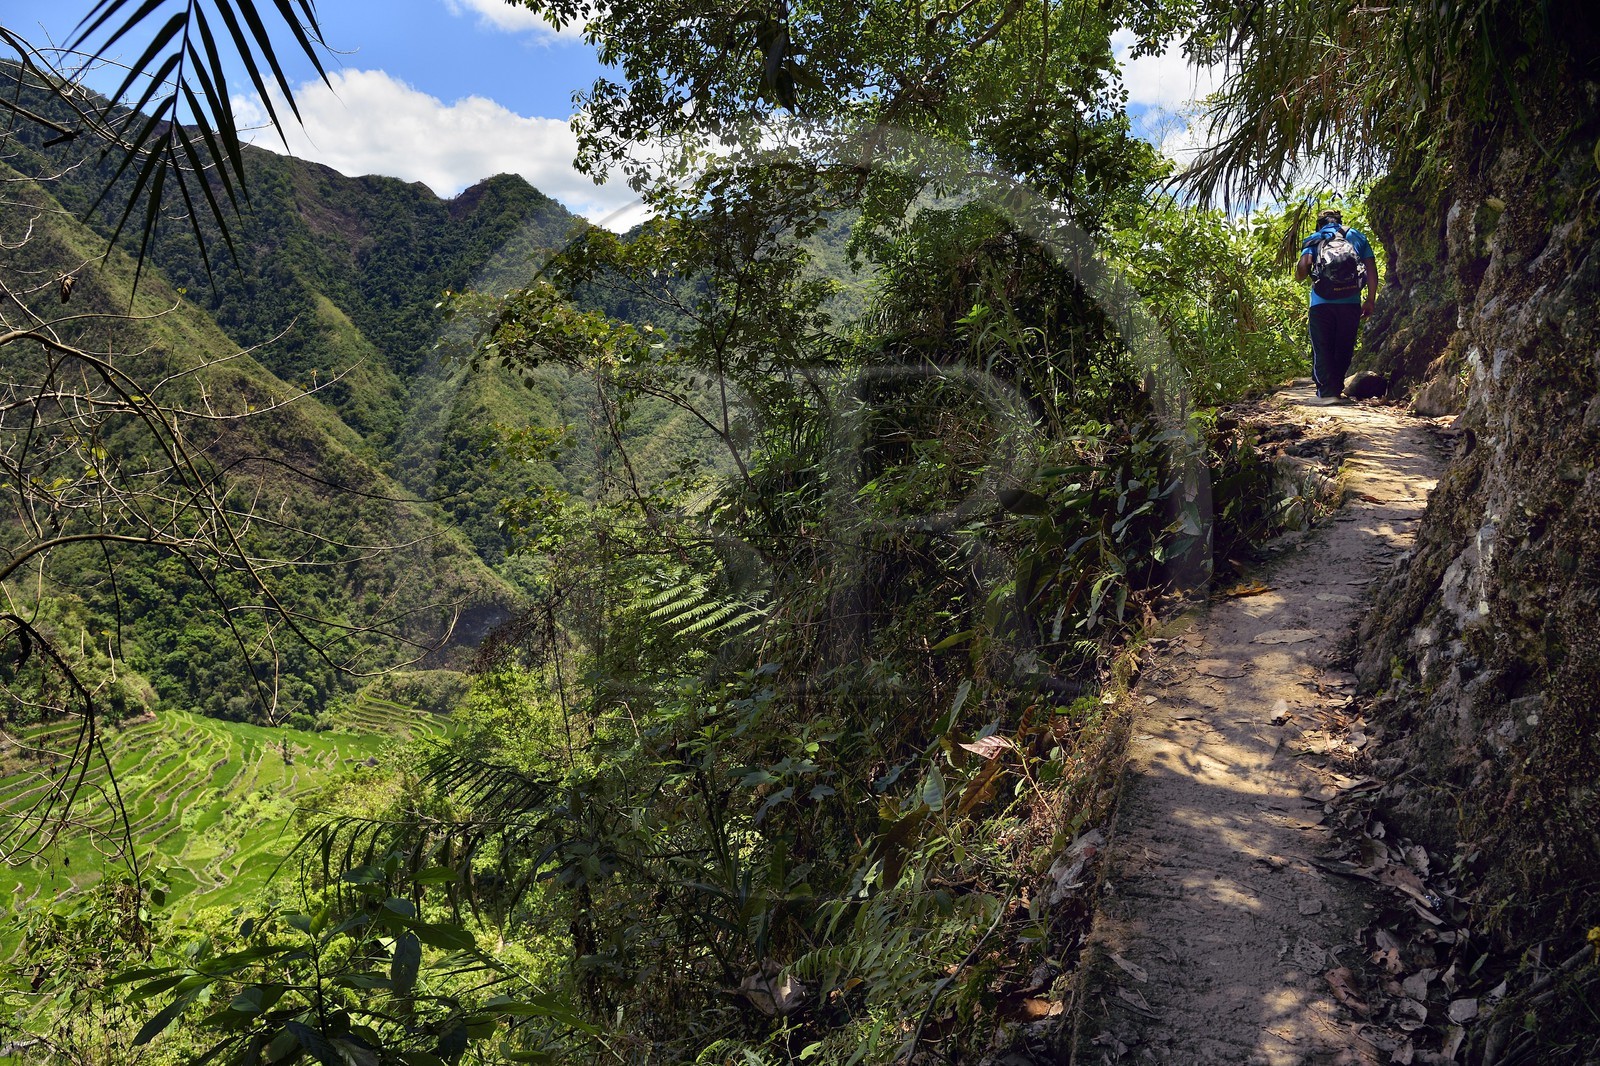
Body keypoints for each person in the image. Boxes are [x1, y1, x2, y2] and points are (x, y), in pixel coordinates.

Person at [1295, 209, 1379, 403]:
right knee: (1344, 346)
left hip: (1321, 303)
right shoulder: (1356, 235)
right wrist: (1370, 299)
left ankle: (1326, 393)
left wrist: (1301, 273)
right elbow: (1371, 269)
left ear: (1320, 223)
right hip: (1350, 301)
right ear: (1340, 221)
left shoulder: (1315, 238)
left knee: (1322, 347)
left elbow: (1304, 266)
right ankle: (1337, 388)